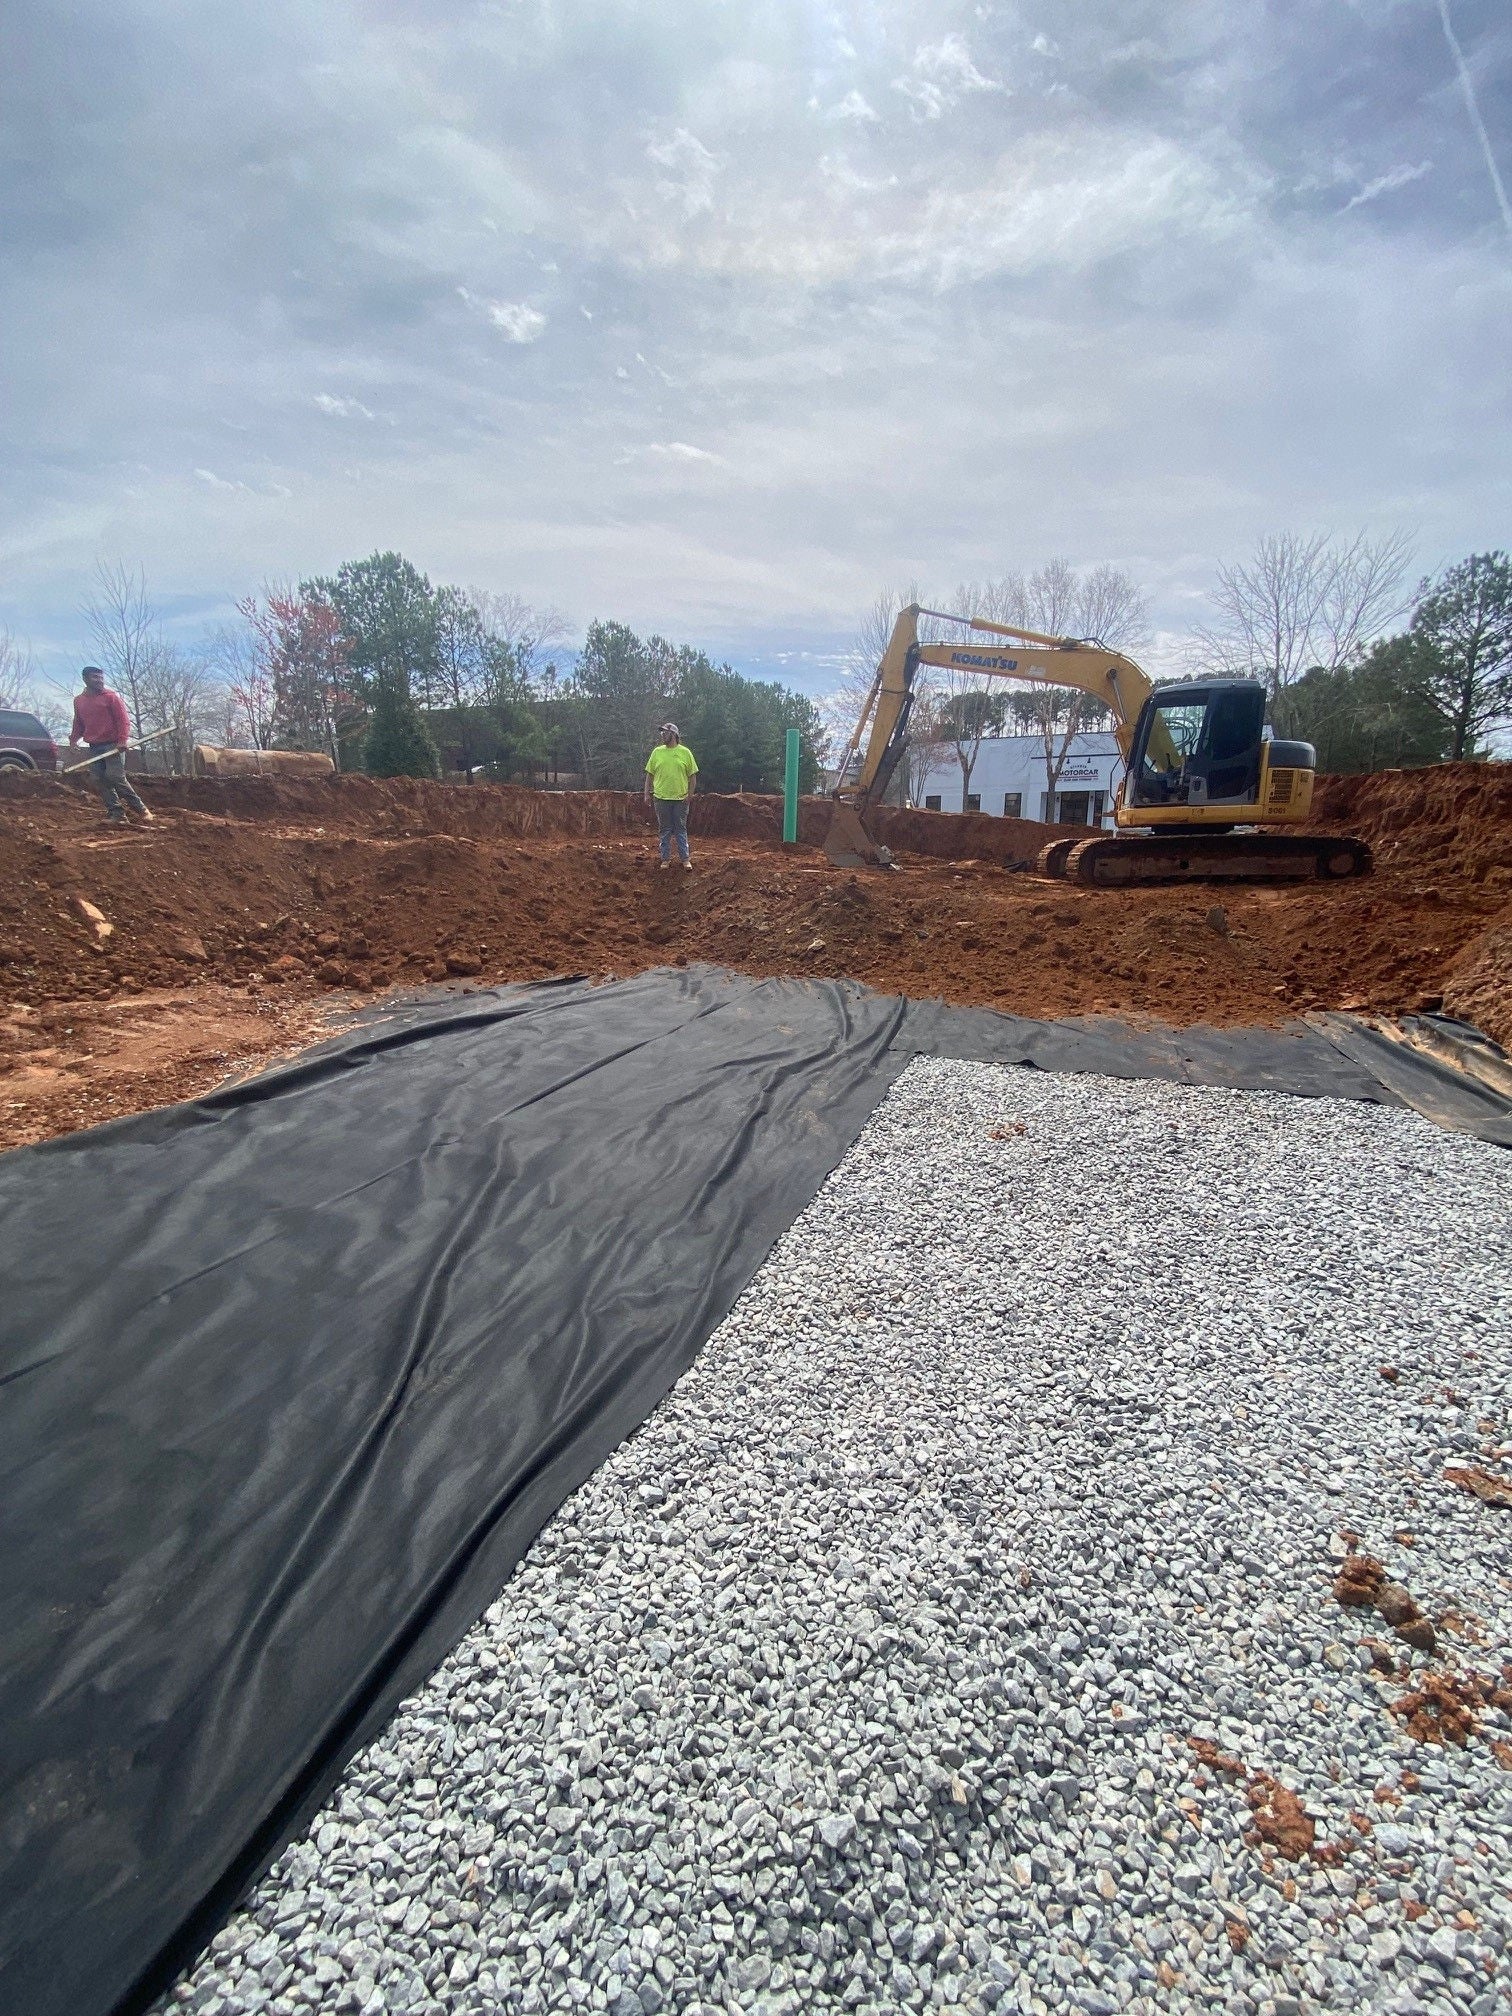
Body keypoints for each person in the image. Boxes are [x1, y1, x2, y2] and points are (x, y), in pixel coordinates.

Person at [69, 666, 152, 825]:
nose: (99, 680)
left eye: (101, 677)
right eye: (95, 677)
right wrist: (73, 740)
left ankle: (141, 809)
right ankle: (117, 813)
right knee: (98, 779)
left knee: (115, 776)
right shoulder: (79, 701)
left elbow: (123, 720)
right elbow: (78, 723)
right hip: (94, 746)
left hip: (113, 745)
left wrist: (122, 740)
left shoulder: (111, 697)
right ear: (85, 679)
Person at [643, 721, 698, 870]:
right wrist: (646, 793)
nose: (662, 735)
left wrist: (690, 795)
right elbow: (649, 774)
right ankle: (665, 859)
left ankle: (685, 859)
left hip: (680, 799)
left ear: (674, 735)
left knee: (680, 829)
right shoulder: (657, 752)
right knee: (665, 829)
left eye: (665, 732)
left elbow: (692, 776)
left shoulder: (685, 753)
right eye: (661, 732)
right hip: (661, 798)